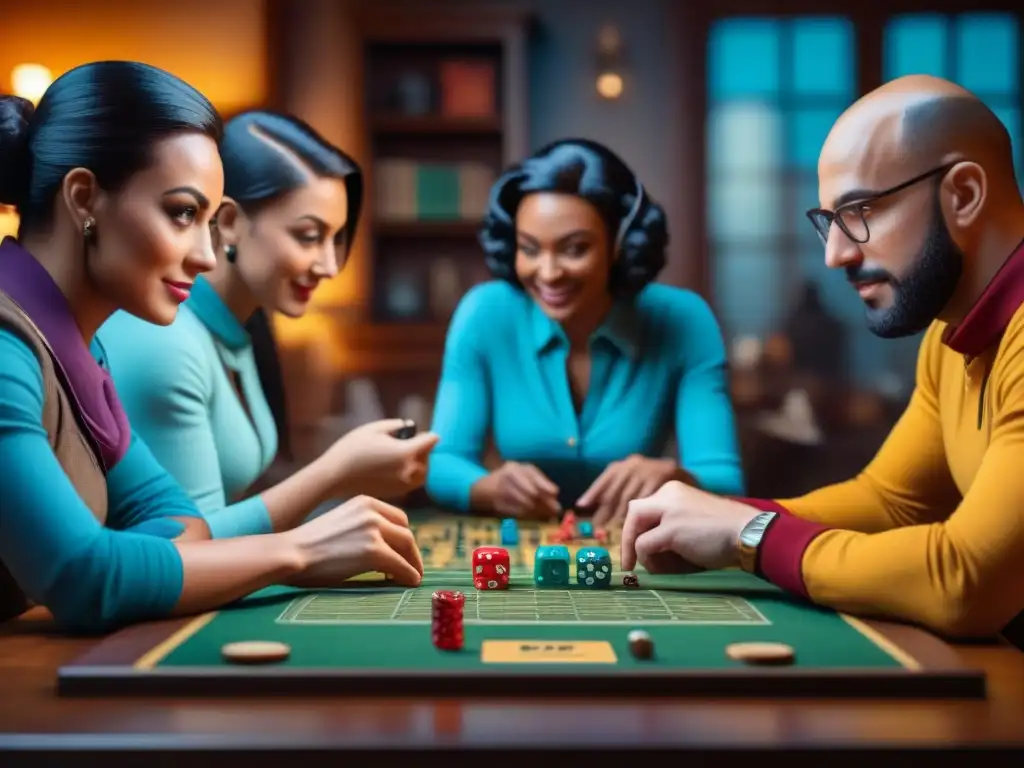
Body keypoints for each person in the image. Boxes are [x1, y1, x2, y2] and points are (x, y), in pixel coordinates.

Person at [0, 62, 423, 635]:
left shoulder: (79, 348)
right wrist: (296, 552)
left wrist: (119, 557)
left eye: (206, 219)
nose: (204, 255)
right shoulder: (8, 349)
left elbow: (184, 526)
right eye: (181, 213)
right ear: (83, 199)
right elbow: (85, 577)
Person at [620, 75, 1024, 643]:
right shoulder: (949, 335)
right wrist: (716, 519)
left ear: (963, 194)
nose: (836, 255)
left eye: (859, 210)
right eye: (828, 222)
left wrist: (749, 535)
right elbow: (891, 501)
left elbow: (964, 581)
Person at [97, 110, 439, 539]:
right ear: (229, 222)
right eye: (309, 236)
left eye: (336, 238)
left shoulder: (244, 328)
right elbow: (183, 549)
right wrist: (335, 473)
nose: (330, 266)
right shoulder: (165, 340)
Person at [425, 138, 745, 524]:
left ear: (620, 246)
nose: (548, 273)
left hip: (636, 549)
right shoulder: (483, 313)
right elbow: (442, 464)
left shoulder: (685, 321)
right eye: (529, 248)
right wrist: (488, 489)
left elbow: (726, 483)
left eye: (574, 249)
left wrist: (676, 478)